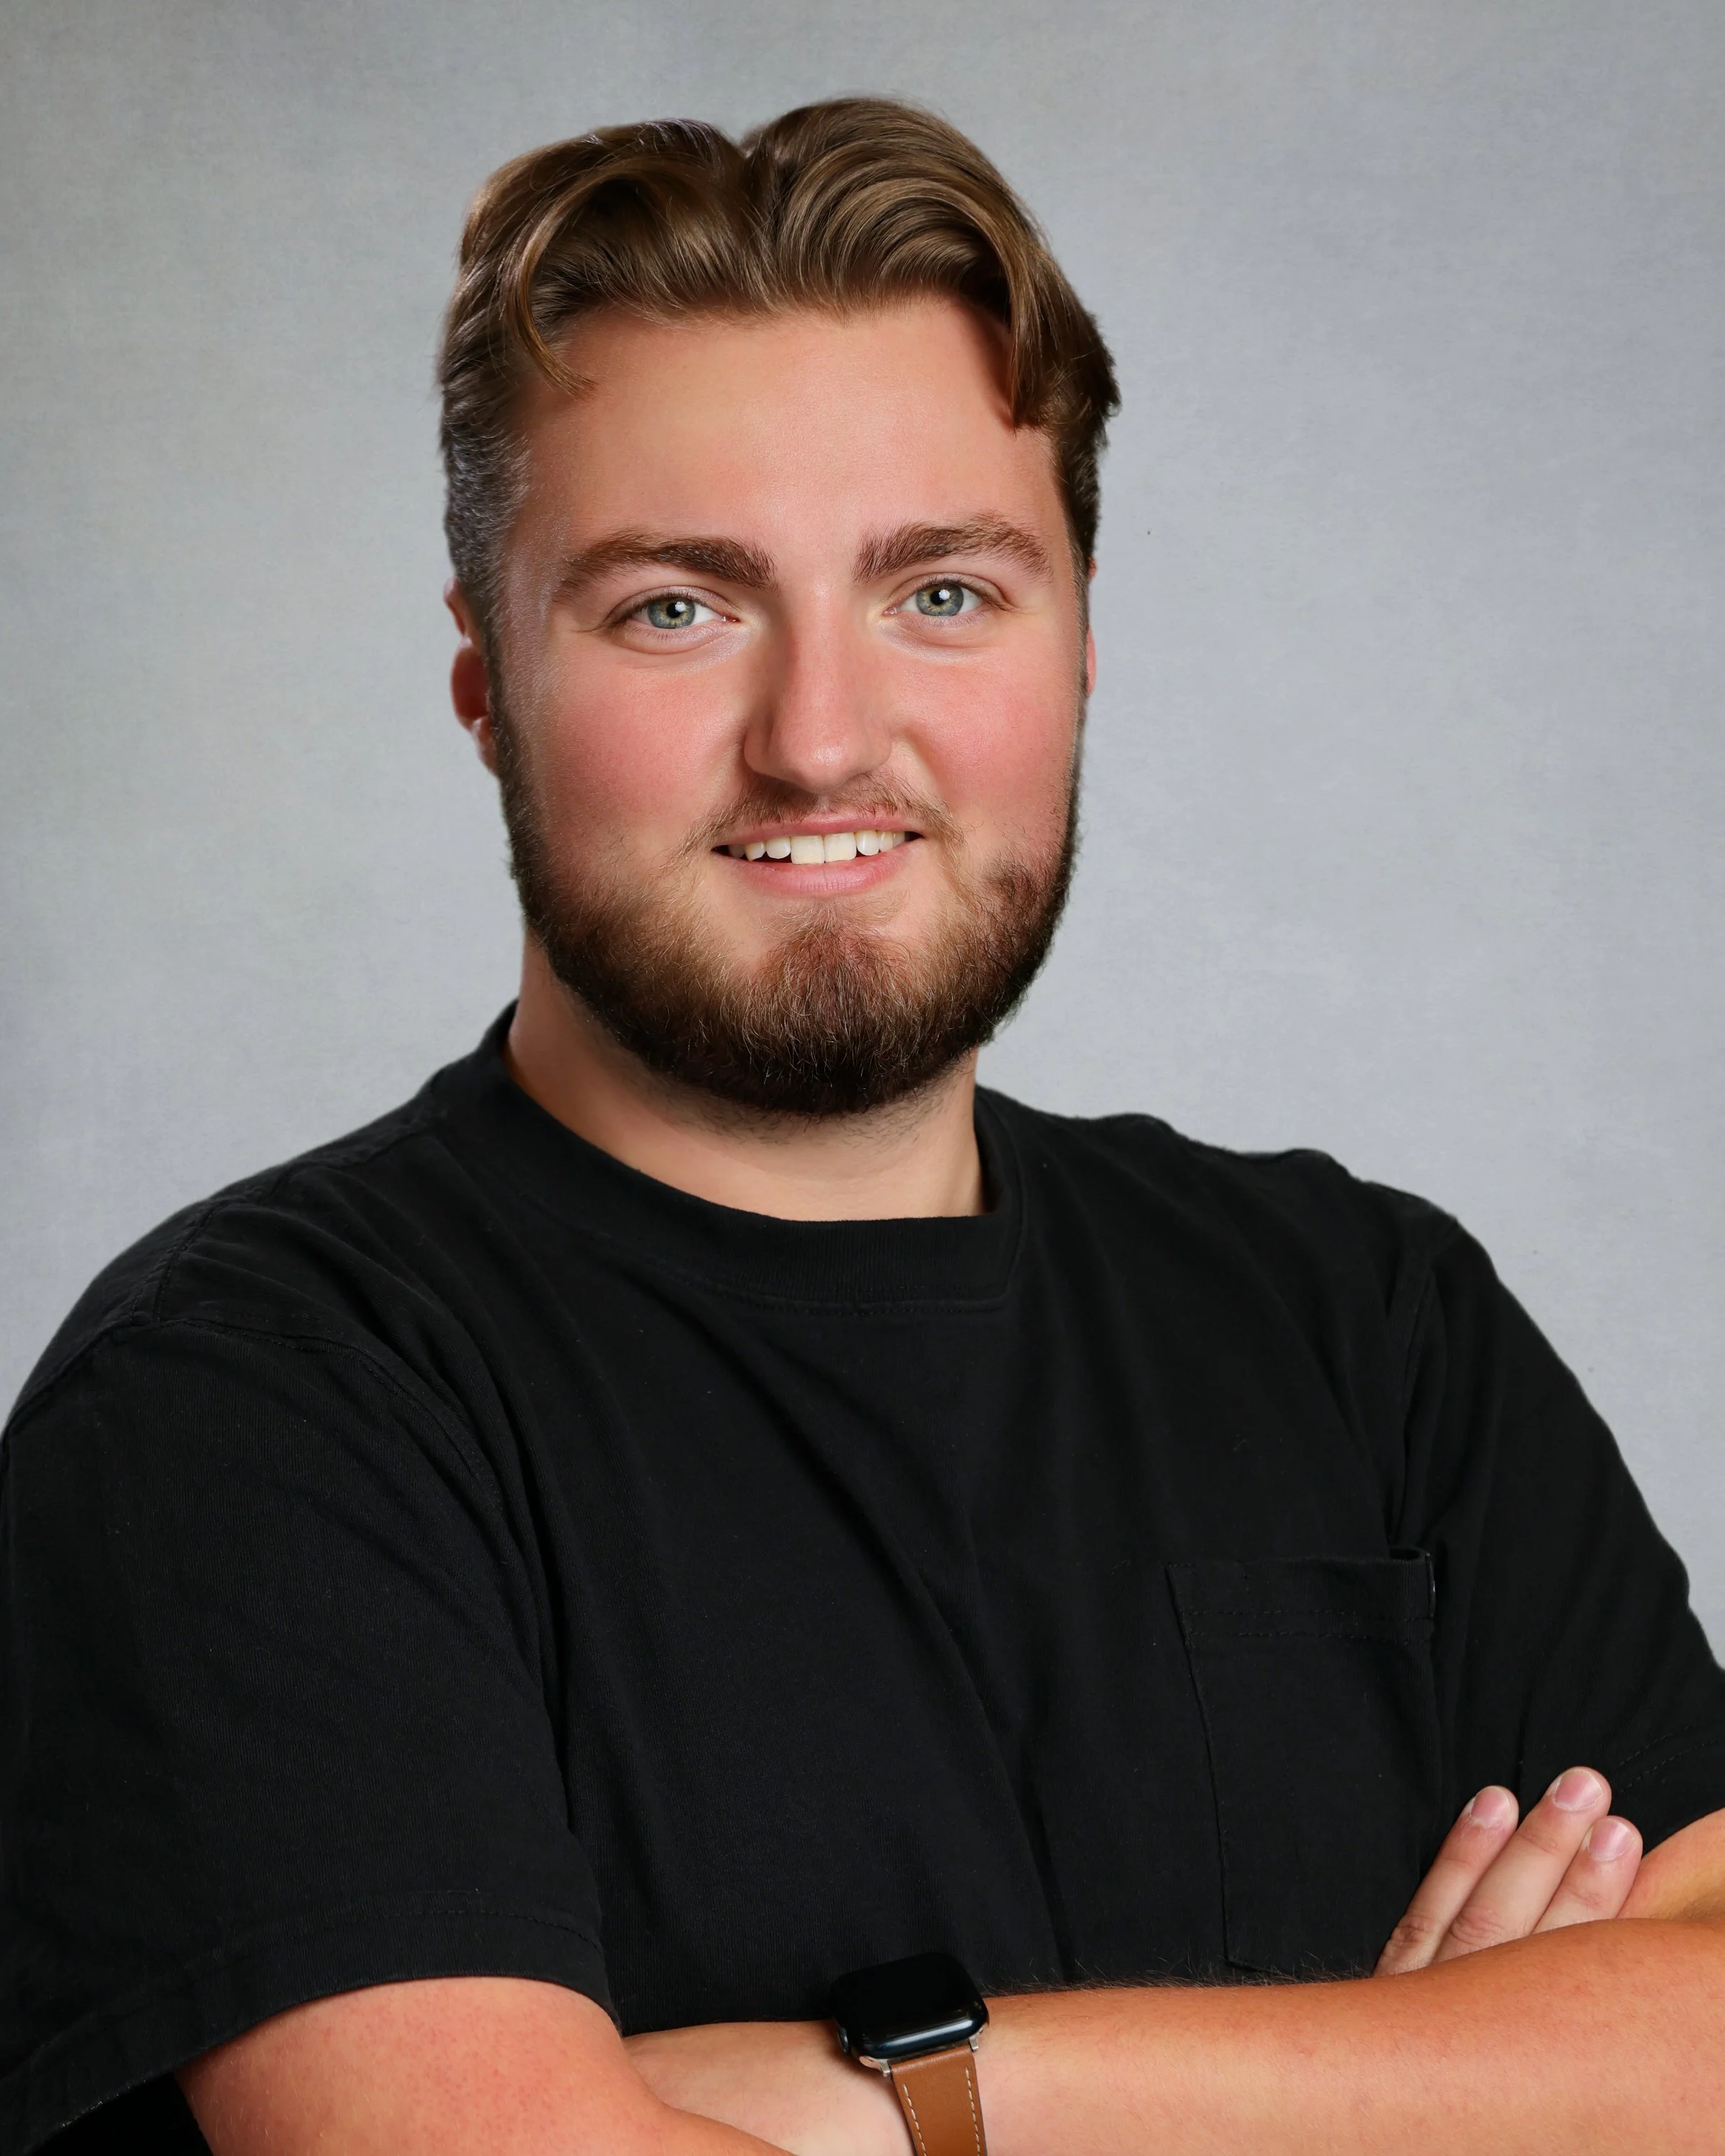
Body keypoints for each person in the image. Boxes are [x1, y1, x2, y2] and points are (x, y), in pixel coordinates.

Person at [3, 96, 1723, 2156]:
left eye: (945, 592)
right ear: (484, 683)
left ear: (1083, 644)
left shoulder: (1374, 1325)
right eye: (676, 605)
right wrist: (1446, 2082)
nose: (819, 738)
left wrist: (911, 2095)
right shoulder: (253, 1404)